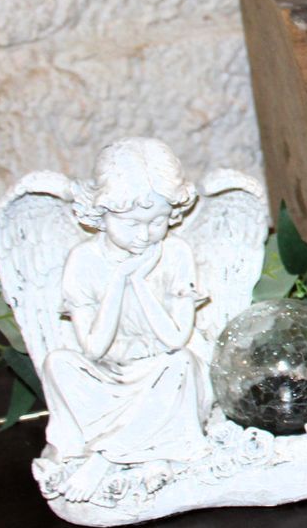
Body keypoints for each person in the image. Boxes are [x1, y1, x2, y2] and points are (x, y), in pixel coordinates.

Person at [43, 139, 211, 500]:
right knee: (57, 363)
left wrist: (139, 281)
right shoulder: (84, 260)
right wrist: (119, 281)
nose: (146, 233)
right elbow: (93, 347)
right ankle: (152, 456)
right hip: (108, 371)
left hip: (163, 371)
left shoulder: (176, 253)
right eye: (133, 222)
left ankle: (104, 459)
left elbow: (174, 340)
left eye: (158, 221)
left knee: (181, 364)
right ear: (101, 215)